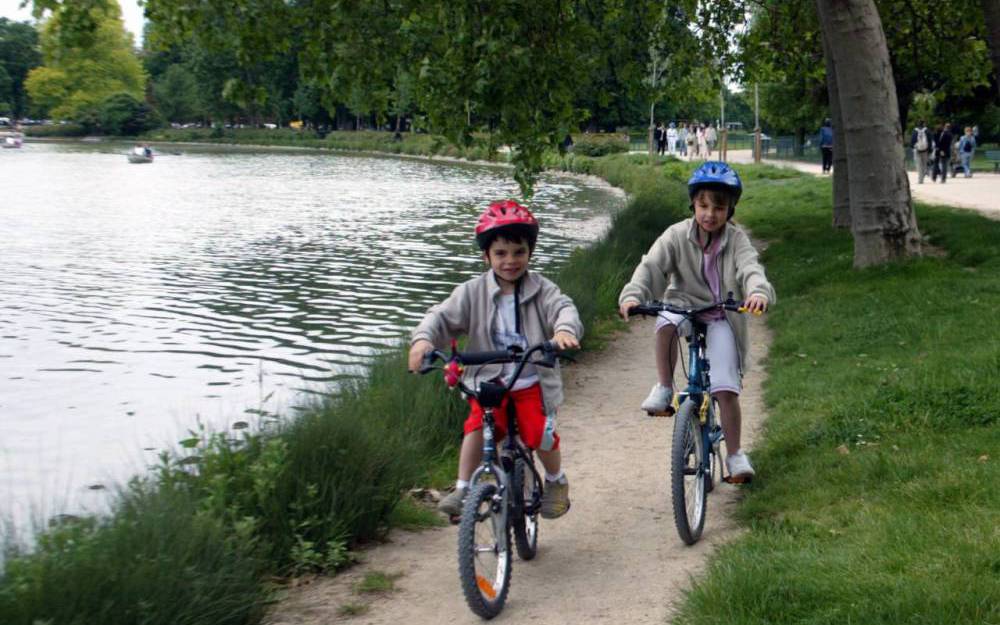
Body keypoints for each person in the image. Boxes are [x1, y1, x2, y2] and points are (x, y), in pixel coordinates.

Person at [408, 200, 583, 519]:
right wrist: (422, 341)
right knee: (477, 426)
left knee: (537, 432)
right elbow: (440, 317)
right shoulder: (471, 292)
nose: (510, 261)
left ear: (530, 252)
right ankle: (463, 488)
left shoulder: (542, 289)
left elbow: (564, 308)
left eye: (518, 252)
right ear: (486, 256)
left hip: (531, 379)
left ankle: (556, 481)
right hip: (488, 380)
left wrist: (563, 331)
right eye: (500, 253)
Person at [617, 162, 775, 481]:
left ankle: (734, 455)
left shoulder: (737, 240)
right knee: (665, 321)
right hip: (683, 304)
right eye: (703, 205)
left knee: (726, 389)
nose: (710, 214)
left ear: (730, 209)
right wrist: (633, 295)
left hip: (722, 314)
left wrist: (758, 292)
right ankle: (664, 387)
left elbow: (751, 269)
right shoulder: (675, 235)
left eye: (719, 207)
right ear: (693, 204)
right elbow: (650, 266)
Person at [910, 120, 933, 184]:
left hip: (917, 150)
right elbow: (930, 140)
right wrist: (930, 150)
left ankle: (920, 179)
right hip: (925, 150)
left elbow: (912, 140)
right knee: (924, 165)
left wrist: (913, 147)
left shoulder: (915, 131)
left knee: (919, 165)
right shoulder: (927, 131)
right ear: (924, 124)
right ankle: (922, 177)